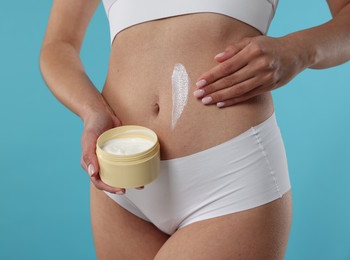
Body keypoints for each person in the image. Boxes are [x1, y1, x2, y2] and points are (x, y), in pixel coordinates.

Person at [40, 0, 350, 259]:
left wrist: (299, 49)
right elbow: (58, 43)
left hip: (229, 179)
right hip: (122, 177)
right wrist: (92, 111)